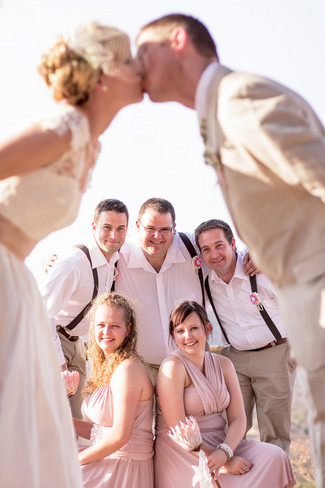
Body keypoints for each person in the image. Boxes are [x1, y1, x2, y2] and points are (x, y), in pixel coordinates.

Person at [136, 13, 325, 485]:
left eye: (144, 52)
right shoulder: (214, 114)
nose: (136, 68)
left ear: (177, 41)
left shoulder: (238, 97)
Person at [0, 21, 142, 487]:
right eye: (128, 60)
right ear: (102, 74)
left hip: (14, 275)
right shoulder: (64, 127)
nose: (139, 68)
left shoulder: (91, 143)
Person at [155, 300, 296, 488]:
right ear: (173, 335)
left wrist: (225, 452)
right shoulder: (173, 366)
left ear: (208, 328)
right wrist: (223, 461)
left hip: (222, 444)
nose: (187, 336)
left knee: (275, 456)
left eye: (194, 328)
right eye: (180, 331)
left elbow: (238, 418)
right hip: (183, 450)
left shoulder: (224, 364)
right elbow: (178, 429)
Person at [116, 197, 256, 381]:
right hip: (143, 369)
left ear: (174, 227)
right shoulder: (118, 257)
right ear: (136, 226)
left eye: (165, 229)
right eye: (150, 228)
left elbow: (225, 248)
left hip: (195, 365)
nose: (157, 236)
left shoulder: (192, 247)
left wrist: (255, 253)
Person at [195, 219, 295, 453]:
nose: (214, 255)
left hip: (275, 353)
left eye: (219, 245)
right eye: (206, 249)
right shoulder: (207, 282)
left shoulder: (262, 271)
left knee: (275, 432)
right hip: (235, 358)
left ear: (233, 244)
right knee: (231, 428)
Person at [40, 199, 128, 419]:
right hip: (49, 342)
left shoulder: (117, 259)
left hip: (77, 345)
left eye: (120, 229)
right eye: (107, 227)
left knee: (76, 420)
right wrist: (60, 366)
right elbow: (42, 315)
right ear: (94, 227)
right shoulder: (74, 262)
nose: (114, 236)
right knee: (50, 423)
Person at [74, 292, 154, 488]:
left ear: (128, 330)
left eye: (115, 326)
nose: (106, 331)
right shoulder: (105, 366)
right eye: (101, 325)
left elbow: (120, 436)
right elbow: (98, 431)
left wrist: (74, 462)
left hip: (124, 468)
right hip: (108, 459)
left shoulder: (128, 369)